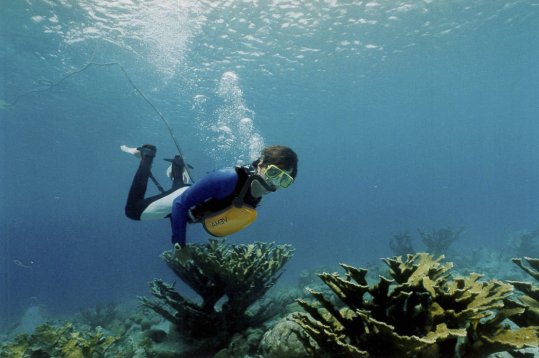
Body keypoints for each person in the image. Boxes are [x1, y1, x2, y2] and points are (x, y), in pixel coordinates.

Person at [121, 144, 298, 259]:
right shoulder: (226, 178)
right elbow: (180, 204)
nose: (273, 183)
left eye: (284, 180)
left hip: (194, 201)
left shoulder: (255, 190)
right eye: (273, 173)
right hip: (180, 203)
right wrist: (180, 244)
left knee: (183, 190)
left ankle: (178, 165)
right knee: (132, 211)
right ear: (260, 164)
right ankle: (147, 155)